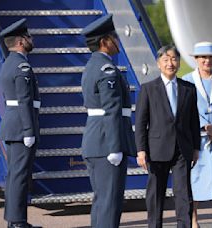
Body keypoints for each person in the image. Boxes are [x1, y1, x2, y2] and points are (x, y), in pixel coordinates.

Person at [80, 14, 137, 228]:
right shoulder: (107, 69)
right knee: (110, 202)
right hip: (106, 143)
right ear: (105, 41)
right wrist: (115, 147)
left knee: (102, 201)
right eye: (115, 37)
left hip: (96, 141)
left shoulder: (92, 66)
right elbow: (111, 110)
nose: (118, 41)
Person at [135, 45, 201, 228]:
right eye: (166, 60)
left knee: (183, 194)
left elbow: (193, 121)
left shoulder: (189, 88)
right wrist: (141, 150)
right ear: (158, 63)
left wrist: (196, 147)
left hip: (183, 149)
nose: (170, 63)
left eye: (173, 59)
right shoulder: (148, 89)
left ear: (179, 62)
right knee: (156, 195)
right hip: (157, 150)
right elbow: (141, 122)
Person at [182, 42, 212, 228]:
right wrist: (205, 126)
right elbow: (187, 107)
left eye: (209, 57)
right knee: (195, 177)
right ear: (196, 59)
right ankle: (194, 220)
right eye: (202, 57)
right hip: (197, 138)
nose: (206, 60)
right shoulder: (187, 80)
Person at [0, 18, 41, 228]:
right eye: (28, 37)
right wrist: (28, 130)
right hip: (20, 127)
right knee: (20, 177)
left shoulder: (10, 62)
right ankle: (17, 222)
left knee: (16, 176)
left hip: (13, 126)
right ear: (20, 41)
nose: (31, 39)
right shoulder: (21, 65)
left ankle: (15, 220)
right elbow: (24, 100)